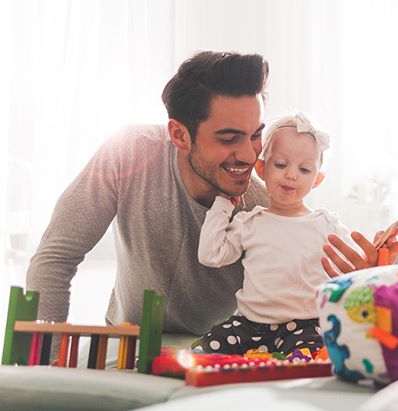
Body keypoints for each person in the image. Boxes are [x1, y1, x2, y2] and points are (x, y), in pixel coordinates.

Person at [25, 51, 271, 335]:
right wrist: (49, 365)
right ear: (179, 135)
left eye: (255, 135)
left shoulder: (264, 208)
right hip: (125, 345)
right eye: (229, 139)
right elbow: (55, 257)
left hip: (213, 357)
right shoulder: (128, 152)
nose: (249, 154)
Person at [192, 113, 353, 355]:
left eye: (305, 169)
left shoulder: (326, 224)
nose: (291, 174)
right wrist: (223, 206)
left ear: (317, 179)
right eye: (280, 164)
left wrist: (382, 251)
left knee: (308, 359)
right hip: (249, 325)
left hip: (304, 325)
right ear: (261, 168)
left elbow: (358, 266)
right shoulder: (249, 222)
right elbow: (210, 255)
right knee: (199, 353)